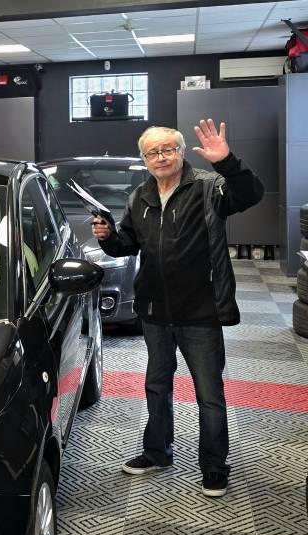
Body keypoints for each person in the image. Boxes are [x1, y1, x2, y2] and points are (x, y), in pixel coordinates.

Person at [92, 120, 264, 497]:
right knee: (156, 385)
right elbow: (128, 245)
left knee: (209, 394)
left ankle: (215, 466)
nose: (161, 157)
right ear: (144, 159)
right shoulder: (140, 196)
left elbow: (251, 194)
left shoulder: (208, 186)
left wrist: (228, 162)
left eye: (168, 149)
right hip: (155, 310)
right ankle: (157, 452)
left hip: (200, 310)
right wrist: (108, 239)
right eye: (152, 152)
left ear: (182, 151)